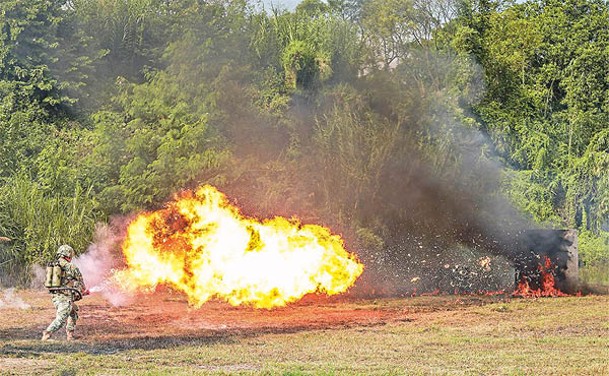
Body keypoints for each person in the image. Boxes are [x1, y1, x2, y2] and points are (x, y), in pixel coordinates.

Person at [41, 244, 89, 341]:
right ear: (68, 255)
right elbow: (81, 285)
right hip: (65, 298)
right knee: (61, 319)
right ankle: (47, 334)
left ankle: (70, 336)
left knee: (73, 313)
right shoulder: (71, 267)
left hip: (56, 296)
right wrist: (84, 291)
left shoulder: (54, 265)